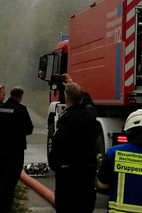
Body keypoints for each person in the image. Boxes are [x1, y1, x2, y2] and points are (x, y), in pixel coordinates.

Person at [48, 82, 98, 213]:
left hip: (69, 174)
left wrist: (56, 165)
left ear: (67, 98)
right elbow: (90, 102)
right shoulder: (91, 115)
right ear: (81, 97)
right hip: (88, 172)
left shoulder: (65, 118)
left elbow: (56, 143)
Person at [0, 86, 33, 213]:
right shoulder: (21, 109)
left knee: (2, 179)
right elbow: (29, 129)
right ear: (20, 97)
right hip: (15, 151)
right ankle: (2, 208)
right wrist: (18, 133)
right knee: (10, 182)